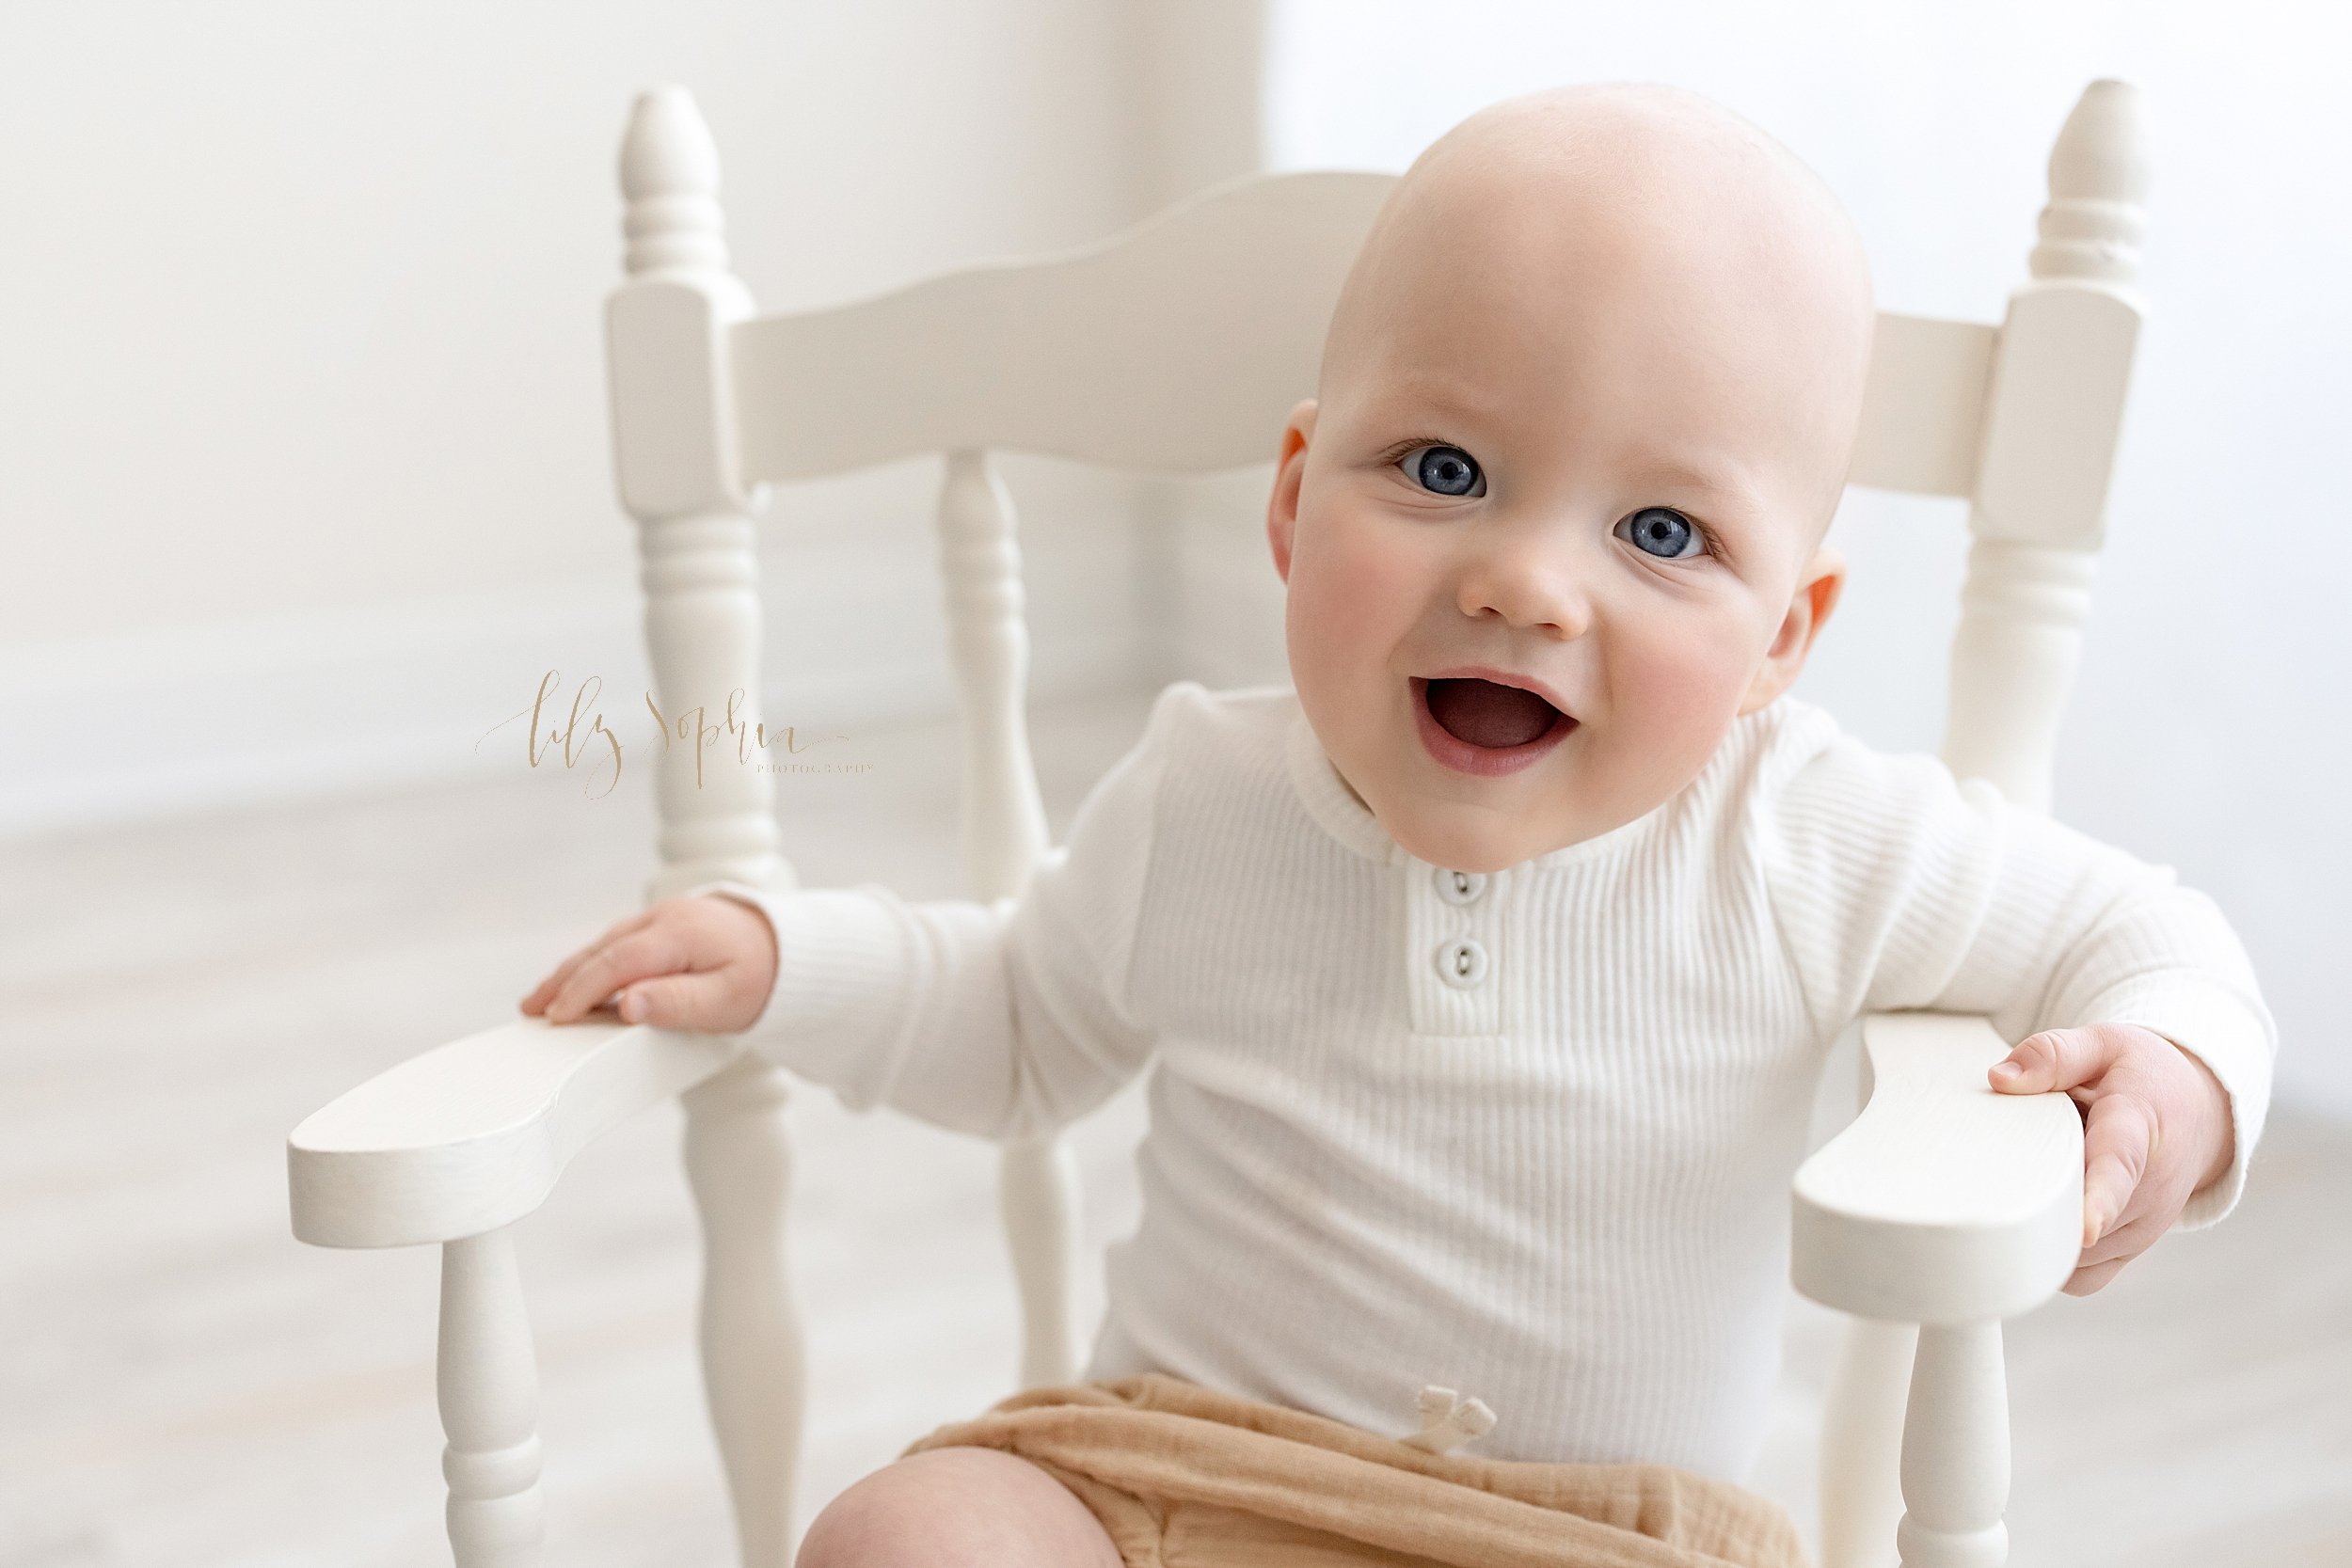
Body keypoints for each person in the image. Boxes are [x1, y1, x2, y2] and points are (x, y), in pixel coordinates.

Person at [520, 83, 2272, 1568]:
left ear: (1780, 645)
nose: (1522, 581)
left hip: (1598, 1533)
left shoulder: (1805, 842)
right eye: (1444, 472)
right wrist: (780, 959)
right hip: (1175, 1475)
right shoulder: (1206, 792)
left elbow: (2154, 939)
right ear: (1294, 503)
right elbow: (1016, 1024)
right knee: (910, 1536)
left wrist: (2178, 1078)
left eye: (1661, 535)